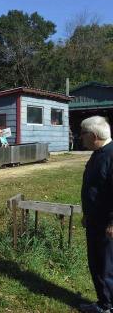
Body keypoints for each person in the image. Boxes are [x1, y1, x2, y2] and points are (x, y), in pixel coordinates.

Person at [79, 116, 113, 313]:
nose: (80, 138)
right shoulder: (98, 153)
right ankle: (103, 302)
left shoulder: (110, 155)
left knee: (106, 264)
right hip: (94, 220)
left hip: (106, 224)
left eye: (82, 134)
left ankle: (108, 305)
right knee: (97, 263)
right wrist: (87, 214)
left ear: (93, 136)